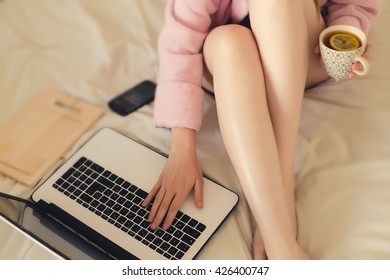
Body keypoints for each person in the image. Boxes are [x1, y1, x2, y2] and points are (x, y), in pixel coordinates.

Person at [142, 0, 380, 259]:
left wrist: (345, 34)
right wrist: (182, 149)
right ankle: (282, 245)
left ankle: (283, 179)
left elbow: (355, 4)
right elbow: (180, 44)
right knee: (226, 40)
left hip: (302, 51)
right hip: (231, 57)